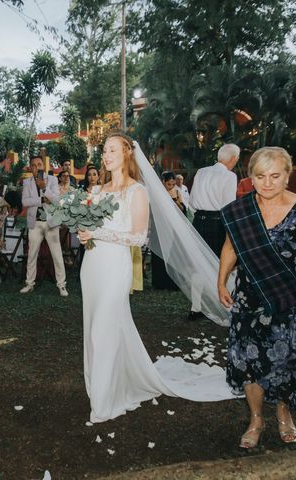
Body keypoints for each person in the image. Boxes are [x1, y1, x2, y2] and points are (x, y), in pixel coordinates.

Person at [77, 131, 236, 423]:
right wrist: (83, 230)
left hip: (115, 267)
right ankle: (102, 384)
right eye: (104, 151)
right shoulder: (97, 191)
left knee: (105, 328)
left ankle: (105, 399)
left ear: (127, 153)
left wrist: (97, 231)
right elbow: (88, 227)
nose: (106, 155)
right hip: (92, 266)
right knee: (94, 326)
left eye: (112, 150)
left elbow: (139, 237)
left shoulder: (137, 191)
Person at [218, 146, 296, 449]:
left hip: (286, 301)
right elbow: (230, 248)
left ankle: (284, 413)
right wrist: (221, 282)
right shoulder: (241, 211)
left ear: (287, 176)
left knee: (284, 363)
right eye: (260, 176)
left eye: (275, 176)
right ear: (251, 178)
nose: (267, 182)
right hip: (247, 301)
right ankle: (256, 418)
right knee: (248, 363)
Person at [187, 143, 239, 321]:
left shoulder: (201, 172)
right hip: (219, 222)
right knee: (228, 262)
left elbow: (192, 202)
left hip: (198, 221)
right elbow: (229, 206)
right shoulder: (230, 176)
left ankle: (195, 308)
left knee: (197, 266)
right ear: (233, 159)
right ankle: (229, 304)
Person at [20, 156, 67, 297]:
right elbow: (25, 202)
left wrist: (44, 188)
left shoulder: (52, 180)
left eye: (39, 164)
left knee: (57, 255)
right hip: (35, 223)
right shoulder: (26, 182)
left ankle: (62, 285)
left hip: (51, 222)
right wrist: (41, 199)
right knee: (32, 254)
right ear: (30, 168)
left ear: (43, 165)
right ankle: (29, 284)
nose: (37, 167)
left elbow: (57, 200)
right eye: (33, 165)